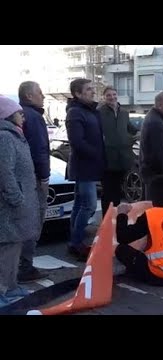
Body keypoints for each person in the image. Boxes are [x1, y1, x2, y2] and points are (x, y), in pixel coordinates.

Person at [0, 95, 41, 307]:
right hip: (8, 206)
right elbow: (4, 172)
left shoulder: (13, 135)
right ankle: (3, 290)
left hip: (16, 204)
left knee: (14, 246)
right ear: (8, 115)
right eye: (19, 114)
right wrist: (16, 198)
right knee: (8, 247)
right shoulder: (5, 137)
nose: (23, 118)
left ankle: (11, 285)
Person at [66, 79, 106, 261]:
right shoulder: (75, 112)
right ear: (78, 94)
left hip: (90, 165)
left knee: (79, 204)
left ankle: (74, 242)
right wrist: (96, 153)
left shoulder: (91, 111)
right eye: (88, 89)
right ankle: (77, 242)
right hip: (83, 166)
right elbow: (77, 141)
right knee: (89, 205)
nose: (93, 92)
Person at [17, 81, 50, 282]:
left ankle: (18, 264)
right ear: (29, 96)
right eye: (40, 92)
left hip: (22, 178)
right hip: (34, 179)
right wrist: (44, 176)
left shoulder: (19, 115)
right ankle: (25, 267)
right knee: (34, 222)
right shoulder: (34, 117)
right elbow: (39, 149)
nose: (43, 96)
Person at [98, 86, 136, 215]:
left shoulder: (124, 112)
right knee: (108, 192)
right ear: (104, 97)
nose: (112, 97)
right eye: (109, 95)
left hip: (122, 159)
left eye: (114, 94)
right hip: (107, 159)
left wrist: (136, 136)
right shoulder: (99, 112)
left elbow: (130, 129)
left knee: (118, 192)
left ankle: (115, 220)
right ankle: (106, 220)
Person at [139, 91, 163, 200]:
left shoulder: (156, 119)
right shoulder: (156, 123)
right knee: (156, 210)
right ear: (160, 105)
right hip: (156, 177)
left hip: (154, 175)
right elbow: (159, 153)